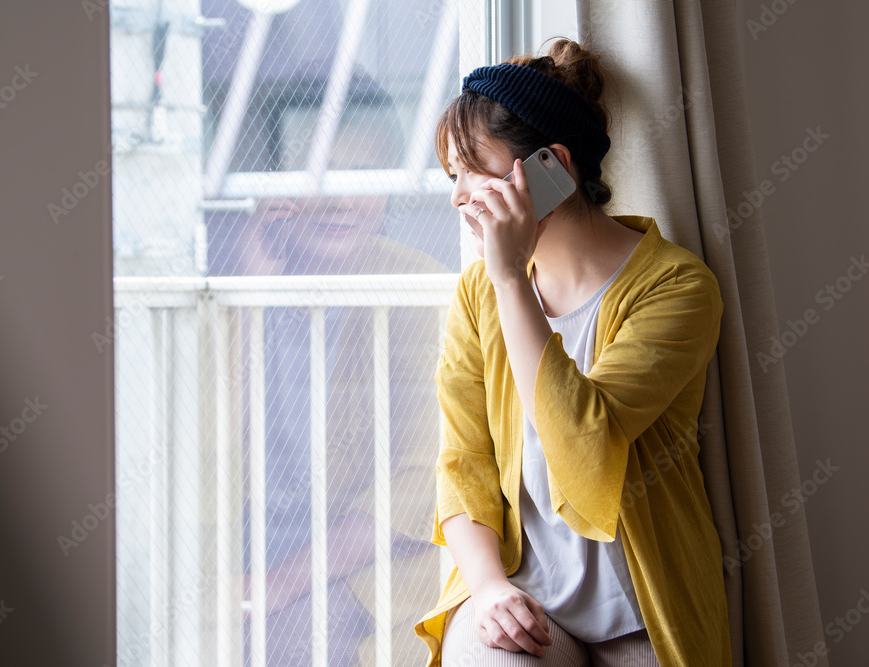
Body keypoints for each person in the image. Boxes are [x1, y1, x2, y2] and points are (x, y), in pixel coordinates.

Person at [414, 39, 732, 666]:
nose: (459, 198)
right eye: (454, 178)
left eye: (475, 171)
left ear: (551, 164)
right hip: (521, 591)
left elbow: (585, 448)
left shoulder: (677, 287)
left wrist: (510, 279)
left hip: (643, 605)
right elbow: (463, 463)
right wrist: (487, 589)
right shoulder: (478, 291)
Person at [233, 69, 448, 666]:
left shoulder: (419, 289)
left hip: (372, 563)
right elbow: (204, 452)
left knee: (282, 642)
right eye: (317, 174)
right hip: (250, 555)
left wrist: (274, 586)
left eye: (362, 175)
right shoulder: (242, 283)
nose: (340, 199)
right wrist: (249, 298)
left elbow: (417, 486)